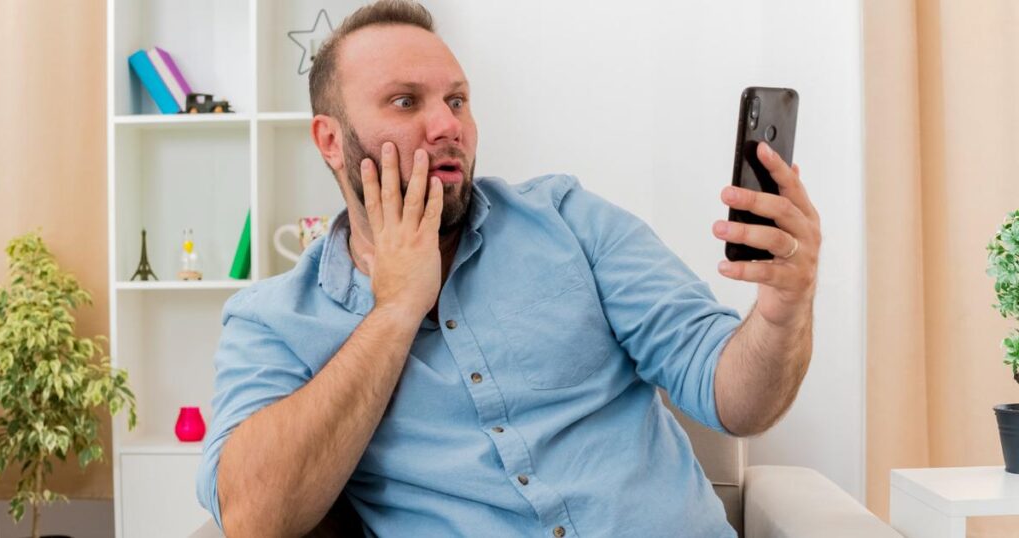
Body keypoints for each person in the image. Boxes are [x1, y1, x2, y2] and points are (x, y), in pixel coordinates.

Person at [195, 1, 822, 536]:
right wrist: (395, 310)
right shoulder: (275, 319)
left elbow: (736, 400)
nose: (447, 126)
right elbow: (255, 517)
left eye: (457, 100)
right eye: (405, 101)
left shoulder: (570, 220)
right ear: (331, 140)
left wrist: (782, 311)